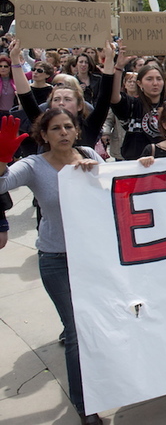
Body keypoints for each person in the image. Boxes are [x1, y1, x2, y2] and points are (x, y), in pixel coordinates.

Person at [0, 111, 104, 424]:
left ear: (77, 131)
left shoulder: (88, 155)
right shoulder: (33, 166)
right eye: (55, 128)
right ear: (44, 135)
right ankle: (86, 407)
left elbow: (118, 188)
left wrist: (95, 172)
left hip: (93, 258)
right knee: (74, 332)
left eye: (68, 127)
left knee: (97, 330)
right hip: (56, 259)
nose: (63, 132)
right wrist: (2, 158)